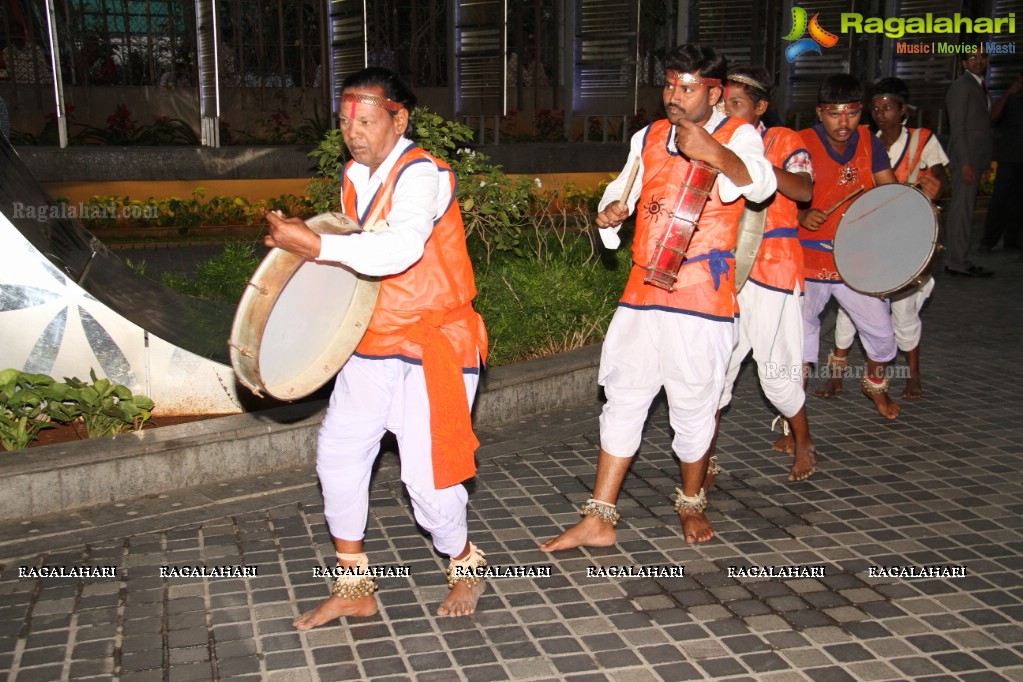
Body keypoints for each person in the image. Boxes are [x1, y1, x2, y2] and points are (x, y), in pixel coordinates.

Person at [263, 67, 489, 626]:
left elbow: (399, 250)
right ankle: (354, 585)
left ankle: (465, 564)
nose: (353, 132)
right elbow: (350, 259)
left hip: (437, 340)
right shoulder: (353, 175)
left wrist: (313, 244)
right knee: (338, 456)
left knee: (427, 483)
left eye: (365, 120)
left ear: (398, 117)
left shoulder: (425, 175)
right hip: (374, 336)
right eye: (345, 122)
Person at [540, 44, 776, 550]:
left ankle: (691, 504)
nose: (673, 96)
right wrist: (611, 213)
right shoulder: (646, 136)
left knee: (693, 404)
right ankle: (599, 516)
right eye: (669, 85)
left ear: (714, 92)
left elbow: (761, 185)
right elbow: (622, 187)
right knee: (622, 397)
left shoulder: (740, 136)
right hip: (642, 290)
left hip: (701, 296)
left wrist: (714, 152)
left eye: (687, 87)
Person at [713, 66, 819, 483]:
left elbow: (804, 190)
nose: (727, 111)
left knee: (776, 375)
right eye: (723, 103)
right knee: (715, 371)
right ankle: (705, 462)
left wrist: (752, 165)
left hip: (774, 266)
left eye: (737, 104)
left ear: (761, 107)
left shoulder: (783, 141)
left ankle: (804, 439)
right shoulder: (716, 141)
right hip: (723, 271)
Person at [798, 74, 915, 421]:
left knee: (882, 336)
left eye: (850, 113)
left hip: (856, 259)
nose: (843, 122)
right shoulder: (799, 141)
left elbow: (887, 191)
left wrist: (910, 201)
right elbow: (777, 197)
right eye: (834, 114)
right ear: (820, 113)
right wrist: (802, 214)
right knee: (800, 343)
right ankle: (794, 421)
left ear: (860, 112)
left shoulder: (868, 140)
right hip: (808, 259)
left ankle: (873, 385)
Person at [823, 77, 947, 400]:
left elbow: (940, 177)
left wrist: (936, 187)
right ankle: (836, 375)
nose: (881, 114)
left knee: (904, 312)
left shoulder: (922, 139)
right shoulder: (864, 140)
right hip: (871, 238)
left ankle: (913, 375)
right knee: (851, 307)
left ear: (903, 110)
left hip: (909, 237)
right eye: (876, 108)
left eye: (888, 107)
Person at [943, 50, 994, 277]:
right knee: (961, 210)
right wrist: (966, 162)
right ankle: (956, 261)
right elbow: (958, 126)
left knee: (966, 210)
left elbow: (983, 127)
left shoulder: (980, 85)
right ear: (964, 62)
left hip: (975, 158)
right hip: (967, 159)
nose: (979, 61)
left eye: (982, 57)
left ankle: (960, 258)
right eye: (972, 58)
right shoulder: (962, 86)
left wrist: (983, 163)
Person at [980, 69, 1023, 254]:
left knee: (1019, 203)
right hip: (1009, 157)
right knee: (999, 200)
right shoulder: (1012, 99)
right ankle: (988, 240)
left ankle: (1013, 241)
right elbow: (994, 117)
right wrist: (1009, 93)